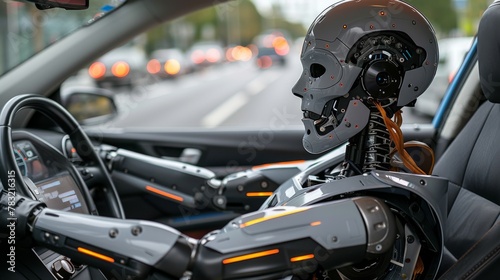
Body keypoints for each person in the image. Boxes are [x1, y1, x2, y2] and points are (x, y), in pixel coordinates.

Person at [1, 1, 448, 279]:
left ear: (379, 80)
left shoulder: (372, 214)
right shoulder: (338, 175)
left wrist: (31, 217)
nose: (297, 89)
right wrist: (110, 159)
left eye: (317, 71)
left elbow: (202, 260)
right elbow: (212, 191)